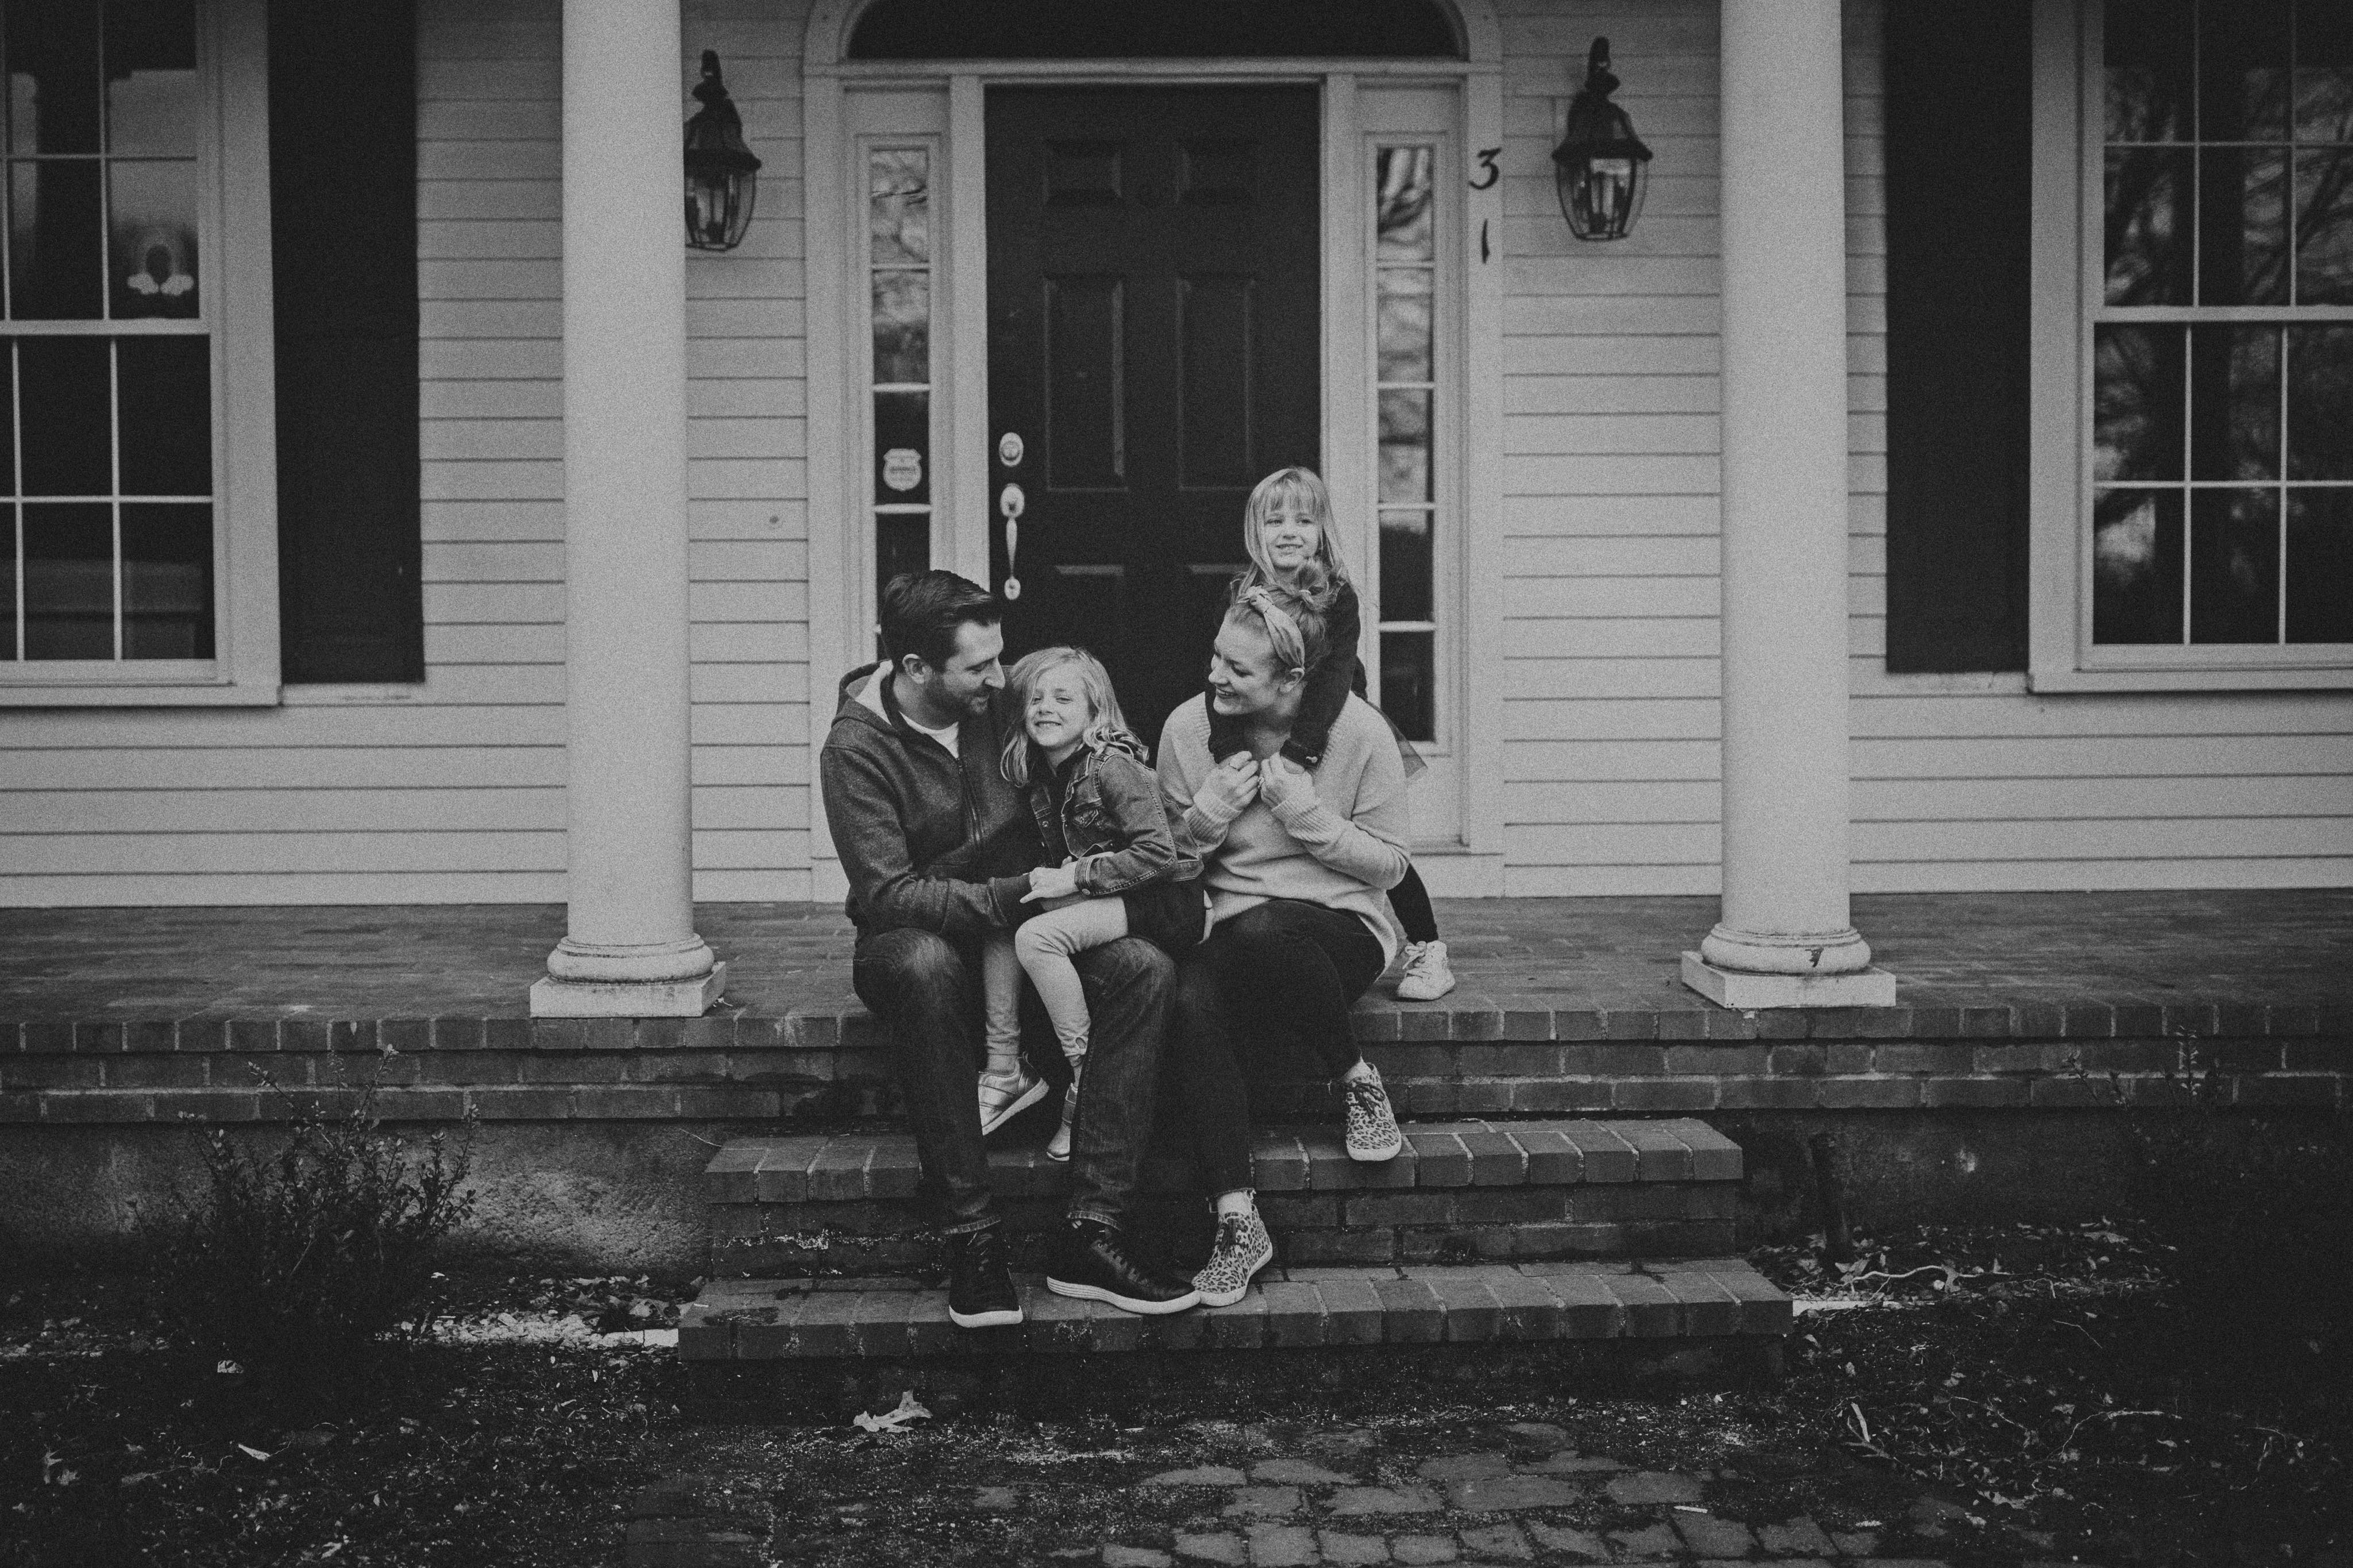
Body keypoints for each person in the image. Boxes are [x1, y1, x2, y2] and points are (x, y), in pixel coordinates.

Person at [819, 571, 1201, 1327]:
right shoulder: (855, 750)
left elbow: (1091, 744)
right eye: (979, 666)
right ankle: (972, 1237)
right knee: (924, 968)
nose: (1003, 679)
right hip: (919, 936)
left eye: (1001, 658)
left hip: (1033, 921)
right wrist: (1011, 893)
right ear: (916, 668)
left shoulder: (1001, 701)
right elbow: (890, 894)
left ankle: (1094, 1229)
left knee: (1144, 968)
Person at [1159, 584, 1411, 1308]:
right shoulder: (1185, 730)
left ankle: (1357, 1079)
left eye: (1238, 670)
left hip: (1338, 933)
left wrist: (1306, 816)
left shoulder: (1360, 733)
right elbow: (1165, 862)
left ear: (1290, 680)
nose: (1215, 677)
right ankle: (1237, 1219)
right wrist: (1204, 818)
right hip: (1230, 930)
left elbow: (1391, 864)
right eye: (1216, 657)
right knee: (1189, 995)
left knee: (1272, 927)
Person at [1207, 466, 1457, 1001]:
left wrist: (1301, 754)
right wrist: (1228, 750)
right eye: (1275, 520)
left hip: (1335, 720)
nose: (1290, 531)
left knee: (1370, 840)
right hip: (1268, 727)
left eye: (1304, 519)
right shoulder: (1244, 593)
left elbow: (1332, 681)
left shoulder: (1336, 595)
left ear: (1322, 529)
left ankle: (1427, 945)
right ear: (1256, 528)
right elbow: (1222, 677)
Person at [990, 647, 1203, 1162]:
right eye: (1037, 698)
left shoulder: (1112, 766)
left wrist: (1075, 876)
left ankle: (1086, 1080)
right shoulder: (1046, 777)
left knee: (1033, 937)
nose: (1046, 707)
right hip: (1118, 896)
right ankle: (1002, 1066)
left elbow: (1158, 854)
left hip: (1164, 902)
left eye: (1064, 698)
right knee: (1001, 916)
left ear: (1095, 712)